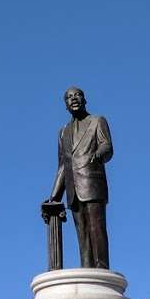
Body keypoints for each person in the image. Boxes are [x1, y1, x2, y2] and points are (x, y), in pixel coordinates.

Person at [45, 85, 113, 270]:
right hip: (73, 188)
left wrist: (98, 154)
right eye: (69, 97)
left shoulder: (97, 121)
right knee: (81, 233)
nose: (74, 98)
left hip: (92, 182)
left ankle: (101, 269)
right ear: (65, 105)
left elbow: (107, 146)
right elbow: (62, 166)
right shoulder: (63, 132)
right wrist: (54, 197)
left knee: (96, 229)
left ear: (85, 100)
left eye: (78, 95)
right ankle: (87, 269)